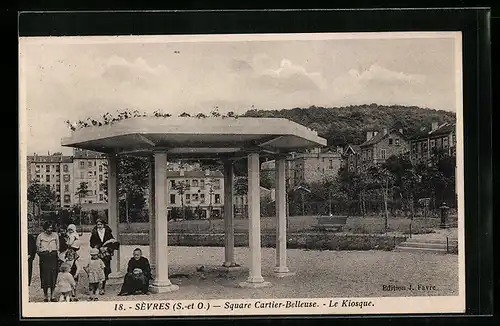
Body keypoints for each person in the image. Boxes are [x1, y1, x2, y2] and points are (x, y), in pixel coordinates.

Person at [89, 219, 119, 295]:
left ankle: (103, 287)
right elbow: (91, 243)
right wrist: (99, 247)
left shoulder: (108, 232)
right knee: (96, 268)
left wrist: (107, 248)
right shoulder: (95, 233)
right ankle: (95, 287)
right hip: (98, 253)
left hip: (106, 253)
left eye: (101, 224)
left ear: (104, 225)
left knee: (105, 269)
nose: (99, 226)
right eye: (98, 224)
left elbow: (113, 242)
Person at [36, 222, 60, 302]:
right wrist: (44, 253)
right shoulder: (40, 236)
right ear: (45, 228)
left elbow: (58, 247)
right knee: (45, 277)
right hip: (44, 258)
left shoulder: (55, 235)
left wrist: (54, 253)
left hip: (53, 258)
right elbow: (38, 248)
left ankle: (52, 296)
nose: (50, 229)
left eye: (51, 228)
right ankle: (45, 296)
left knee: (53, 276)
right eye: (48, 228)